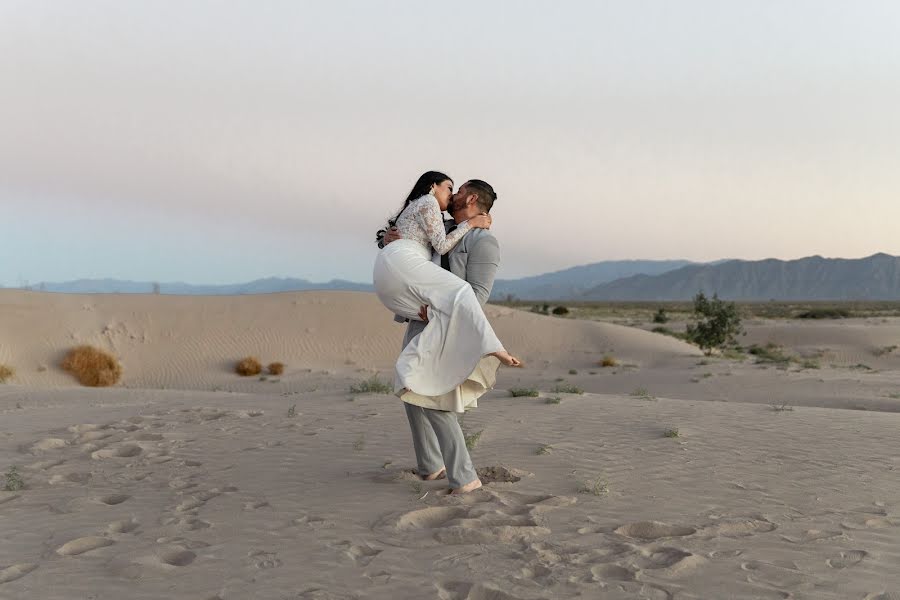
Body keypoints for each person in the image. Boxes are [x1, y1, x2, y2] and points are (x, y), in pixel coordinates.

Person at [379, 177, 506, 494]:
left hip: (448, 324)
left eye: (459, 190)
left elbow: (477, 295)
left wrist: (436, 311)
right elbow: (397, 233)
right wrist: (386, 238)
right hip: (418, 320)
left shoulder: (483, 242)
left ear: (472, 197)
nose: (454, 194)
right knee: (409, 389)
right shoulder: (443, 225)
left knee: (435, 399)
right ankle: (430, 465)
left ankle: (465, 477)